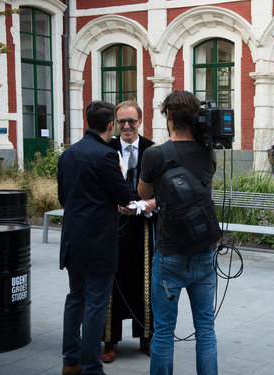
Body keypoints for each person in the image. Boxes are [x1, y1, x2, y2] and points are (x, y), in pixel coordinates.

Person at [137, 90, 218, 375]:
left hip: (169, 254)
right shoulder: (208, 152)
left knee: (163, 332)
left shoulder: (154, 155)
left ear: (168, 116)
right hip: (204, 253)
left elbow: (143, 193)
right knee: (206, 331)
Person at [58, 100, 132, 375]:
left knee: (75, 299)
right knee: (96, 305)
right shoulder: (107, 156)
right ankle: (91, 367)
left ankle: (70, 362)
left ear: (88, 121)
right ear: (111, 125)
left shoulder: (68, 154)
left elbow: (63, 197)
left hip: (72, 240)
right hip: (99, 242)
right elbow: (123, 198)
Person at [101, 101, 156, 362]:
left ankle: (146, 338)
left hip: (143, 226)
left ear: (140, 122)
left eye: (131, 121)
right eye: (121, 121)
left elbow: (161, 189)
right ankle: (110, 341)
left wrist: (146, 205)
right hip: (113, 225)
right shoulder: (106, 149)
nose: (126, 126)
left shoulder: (151, 150)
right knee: (111, 283)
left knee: (144, 283)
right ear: (114, 122)